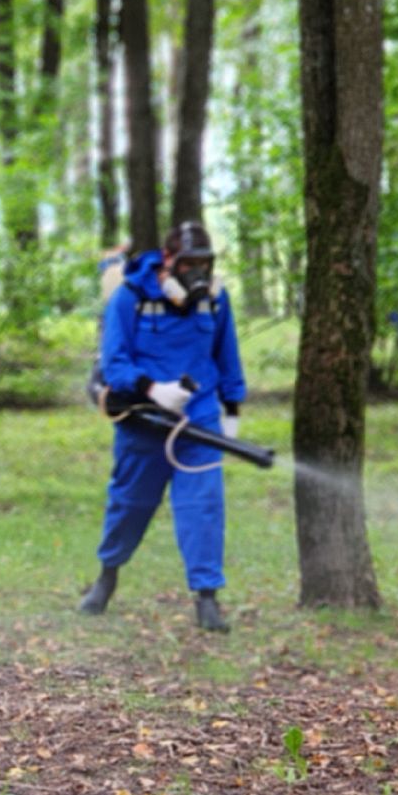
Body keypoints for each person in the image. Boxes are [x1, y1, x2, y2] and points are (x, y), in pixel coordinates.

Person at [78, 221, 245, 633]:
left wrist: (233, 409)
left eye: (204, 263)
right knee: (129, 505)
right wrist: (153, 389)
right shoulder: (130, 297)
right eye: (188, 263)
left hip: (198, 421)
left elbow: (228, 356)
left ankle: (207, 599)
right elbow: (115, 362)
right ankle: (107, 577)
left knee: (203, 508)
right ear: (168, 261)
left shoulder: (215, 301)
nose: (197, 273)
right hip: (144, 421)